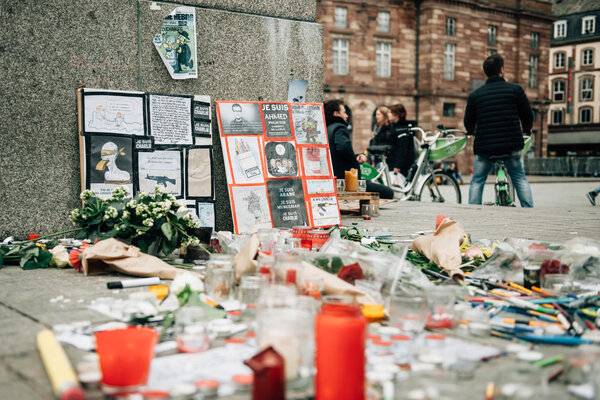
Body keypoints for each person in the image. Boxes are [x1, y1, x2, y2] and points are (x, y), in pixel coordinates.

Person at [464, 54, 534, 208]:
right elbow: (527, 115)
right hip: (511, 143)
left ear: (485, 72)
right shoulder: (515, 90)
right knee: (519, 178)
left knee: (477, 180)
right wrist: (526, 130)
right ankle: (529, 211)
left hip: (485, 146)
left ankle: (472, 211)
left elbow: (468, 122)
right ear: (502, 70)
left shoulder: (475, 95)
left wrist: (474, 132)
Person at [324, 99, 394, 199]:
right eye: (344, 112)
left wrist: (356, 156)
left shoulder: (328, 128)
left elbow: (338, 152)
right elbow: (343, 148)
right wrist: (355, 159)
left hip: (336, 177)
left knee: (369, 183)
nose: (346, 116)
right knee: (388, 192)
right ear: (336, 114)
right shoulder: (339, 128)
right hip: (346, 181)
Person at [387, 104, 416, 177]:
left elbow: (403, 148)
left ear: (397, 114)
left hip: (401, 165)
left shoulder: (403, 128)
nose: (388, 114)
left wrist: (397, 165)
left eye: (390, 112)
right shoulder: (393, 126)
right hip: (392, 161)